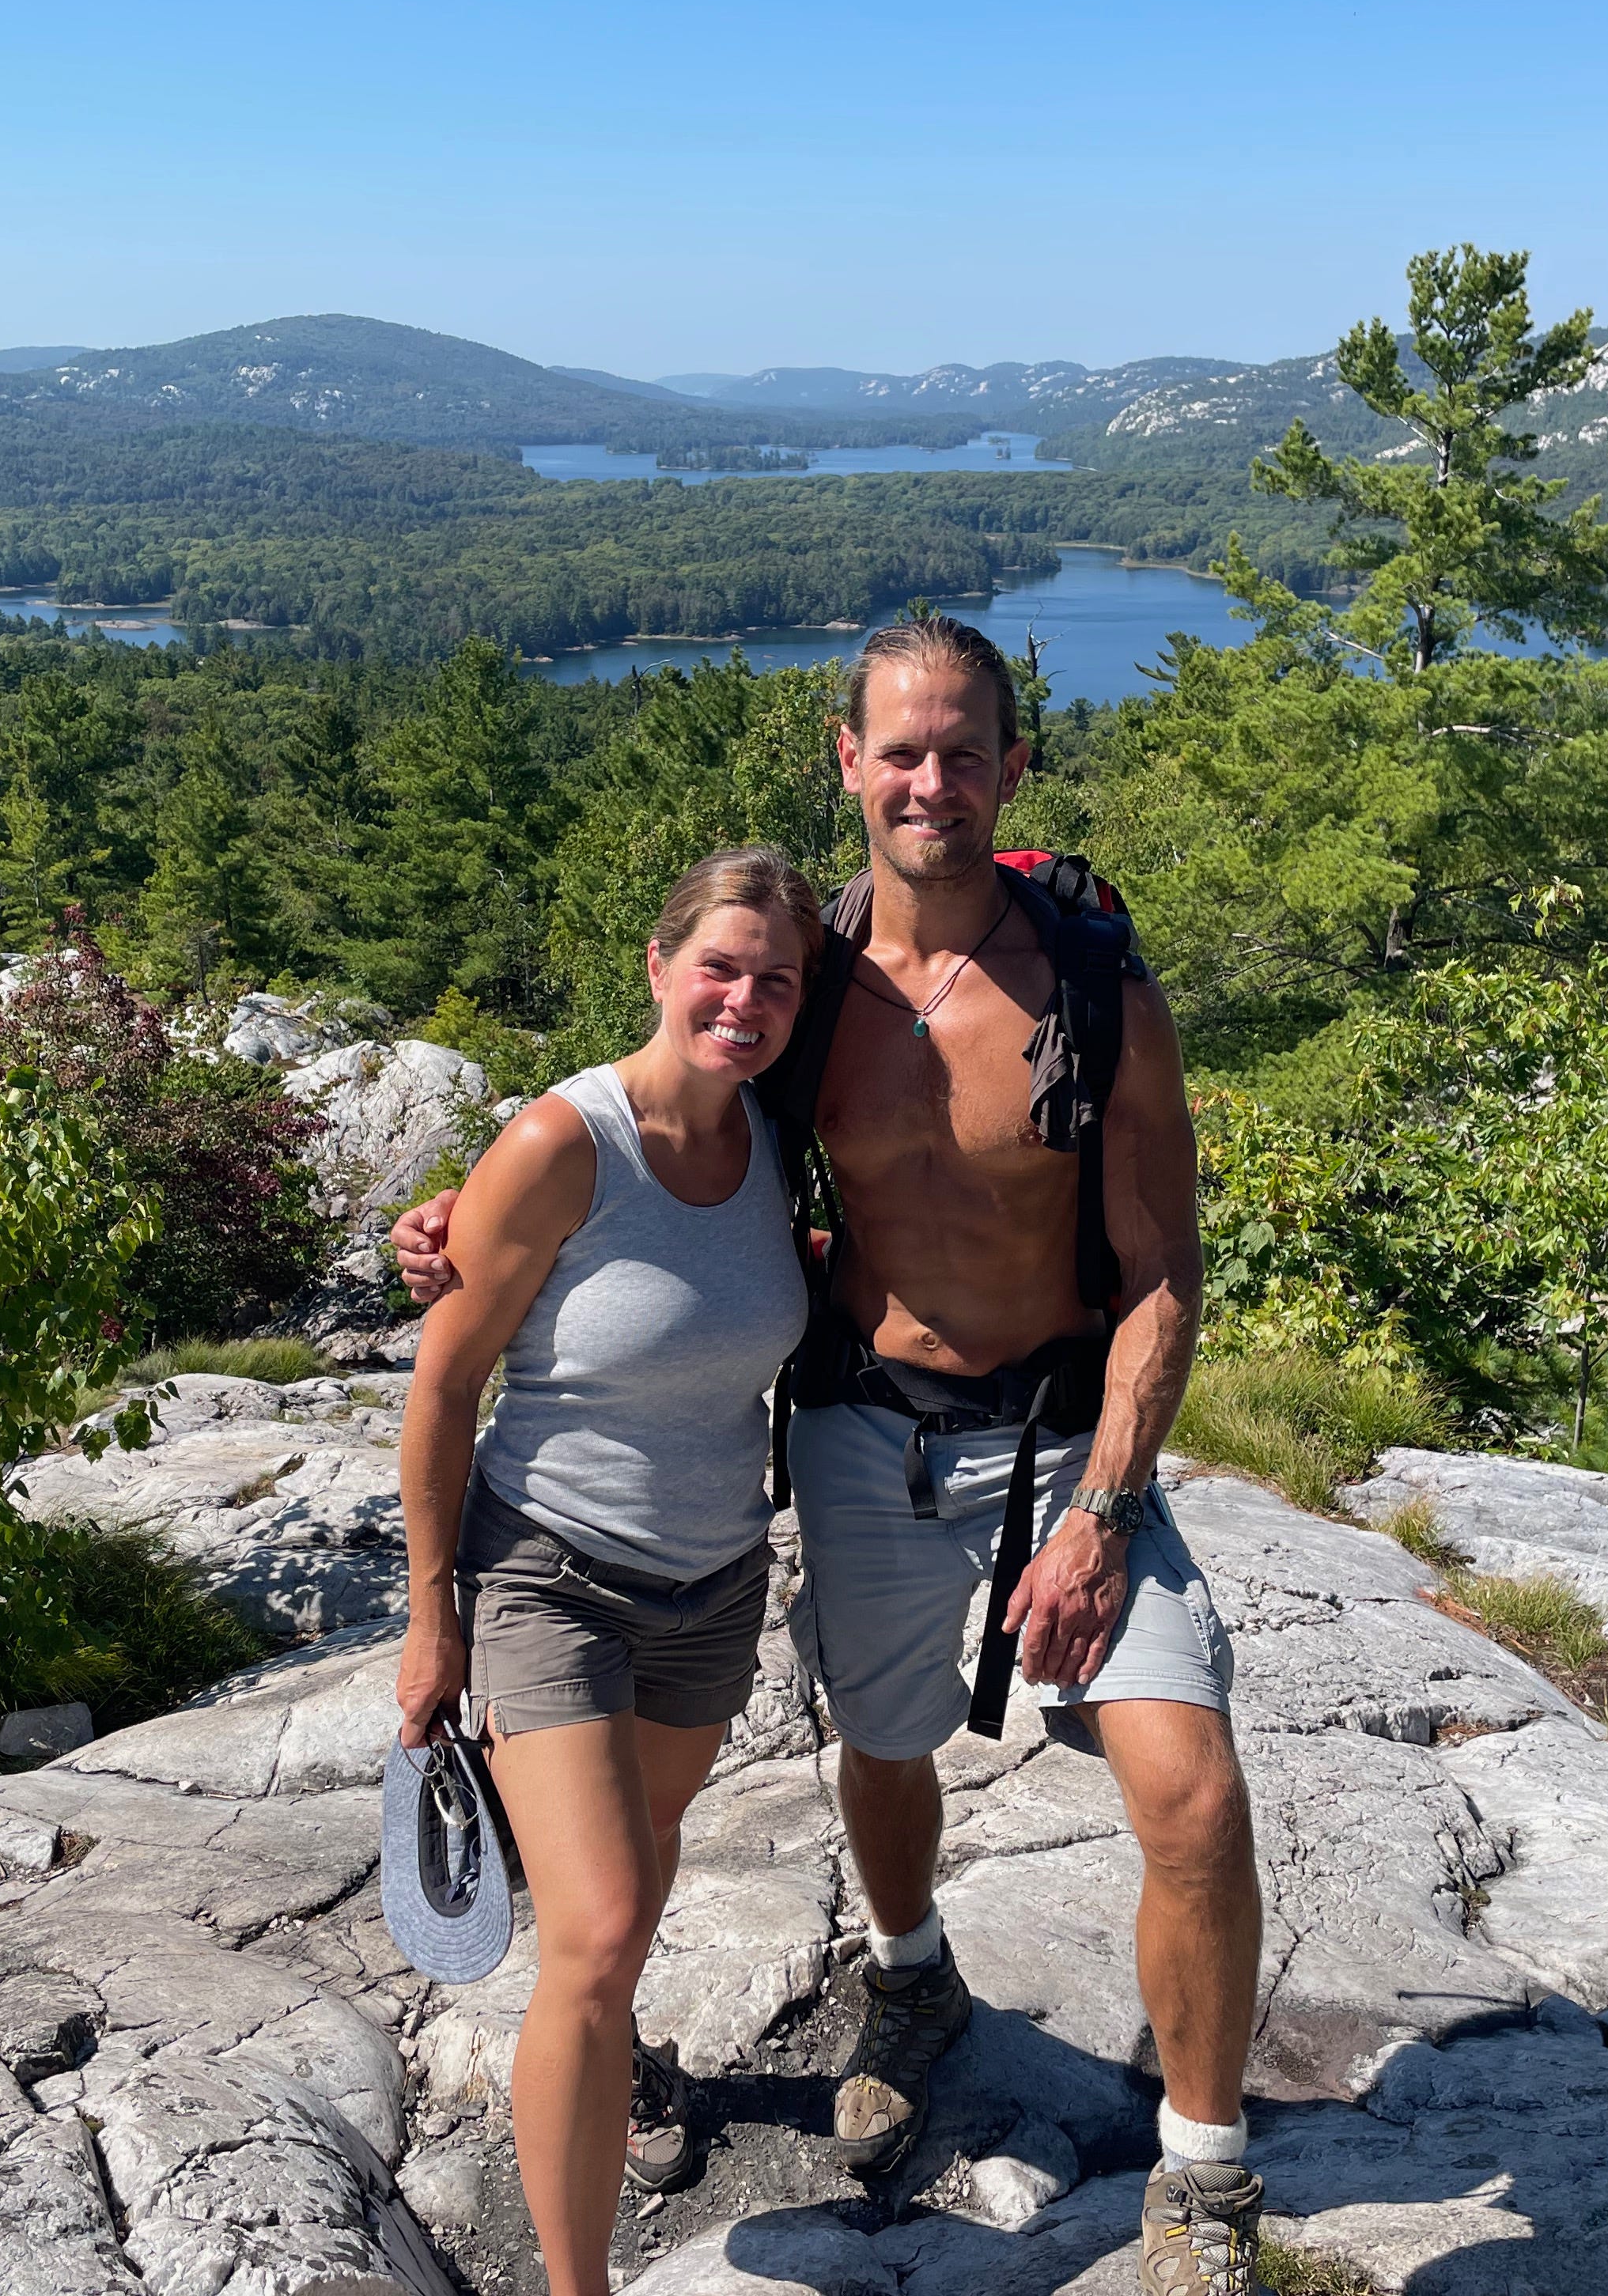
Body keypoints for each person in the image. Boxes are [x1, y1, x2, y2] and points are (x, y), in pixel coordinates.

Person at [397, 618, 1267, 2296]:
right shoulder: (806, 986)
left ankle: (1207, 2180)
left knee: (1192, 1793)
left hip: (1062, 1442)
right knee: (882, 1742)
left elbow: (1164, 1263)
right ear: (848, 760)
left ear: (1014, 768)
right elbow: (667, 1116)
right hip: (866, 1430)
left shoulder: (1096, 994)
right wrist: (476, 1213)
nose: (933, 781)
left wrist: (1106, 1509)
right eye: (902, 750)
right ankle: (910, 1972)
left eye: (966, 751)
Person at [392, 847, 822, 2296]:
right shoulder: (563, 1142)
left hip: (714, 1581)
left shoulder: (778, 1136)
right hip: (549, 1574)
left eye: (776, 981)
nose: (744, 1001)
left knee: (640, 1862)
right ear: (658, 965)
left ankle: (618, 2057)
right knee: (601, 1927)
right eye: (720, 968)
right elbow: (443, 1387)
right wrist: (432, 1617)